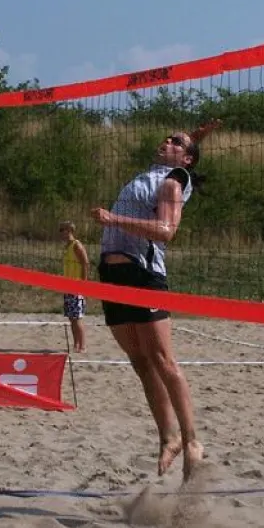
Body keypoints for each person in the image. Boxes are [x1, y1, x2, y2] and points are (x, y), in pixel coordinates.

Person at [91, 120, 221, 483]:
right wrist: (193, 135)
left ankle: (192, 440)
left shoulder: (172, 182)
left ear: (187, 159)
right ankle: (169, 437)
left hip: (142, 274)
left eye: (174, 142)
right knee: (139, 360)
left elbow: (167, 232)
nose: (165, 141)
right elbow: (185, 142)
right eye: (166, 137)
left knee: (163, 360)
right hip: (112, 275)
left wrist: (113, 218)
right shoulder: (154, 173)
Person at [59, 220, 90, 353]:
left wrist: (83, 284)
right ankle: (76, 344)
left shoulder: (77, 245)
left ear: (70, 230)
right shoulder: (67, 247)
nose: (61, 233)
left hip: (76, 286)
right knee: (72, 318)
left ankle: (82, 346)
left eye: (63, 230)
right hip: (68, 286)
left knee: (77, 318)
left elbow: (85, 264)